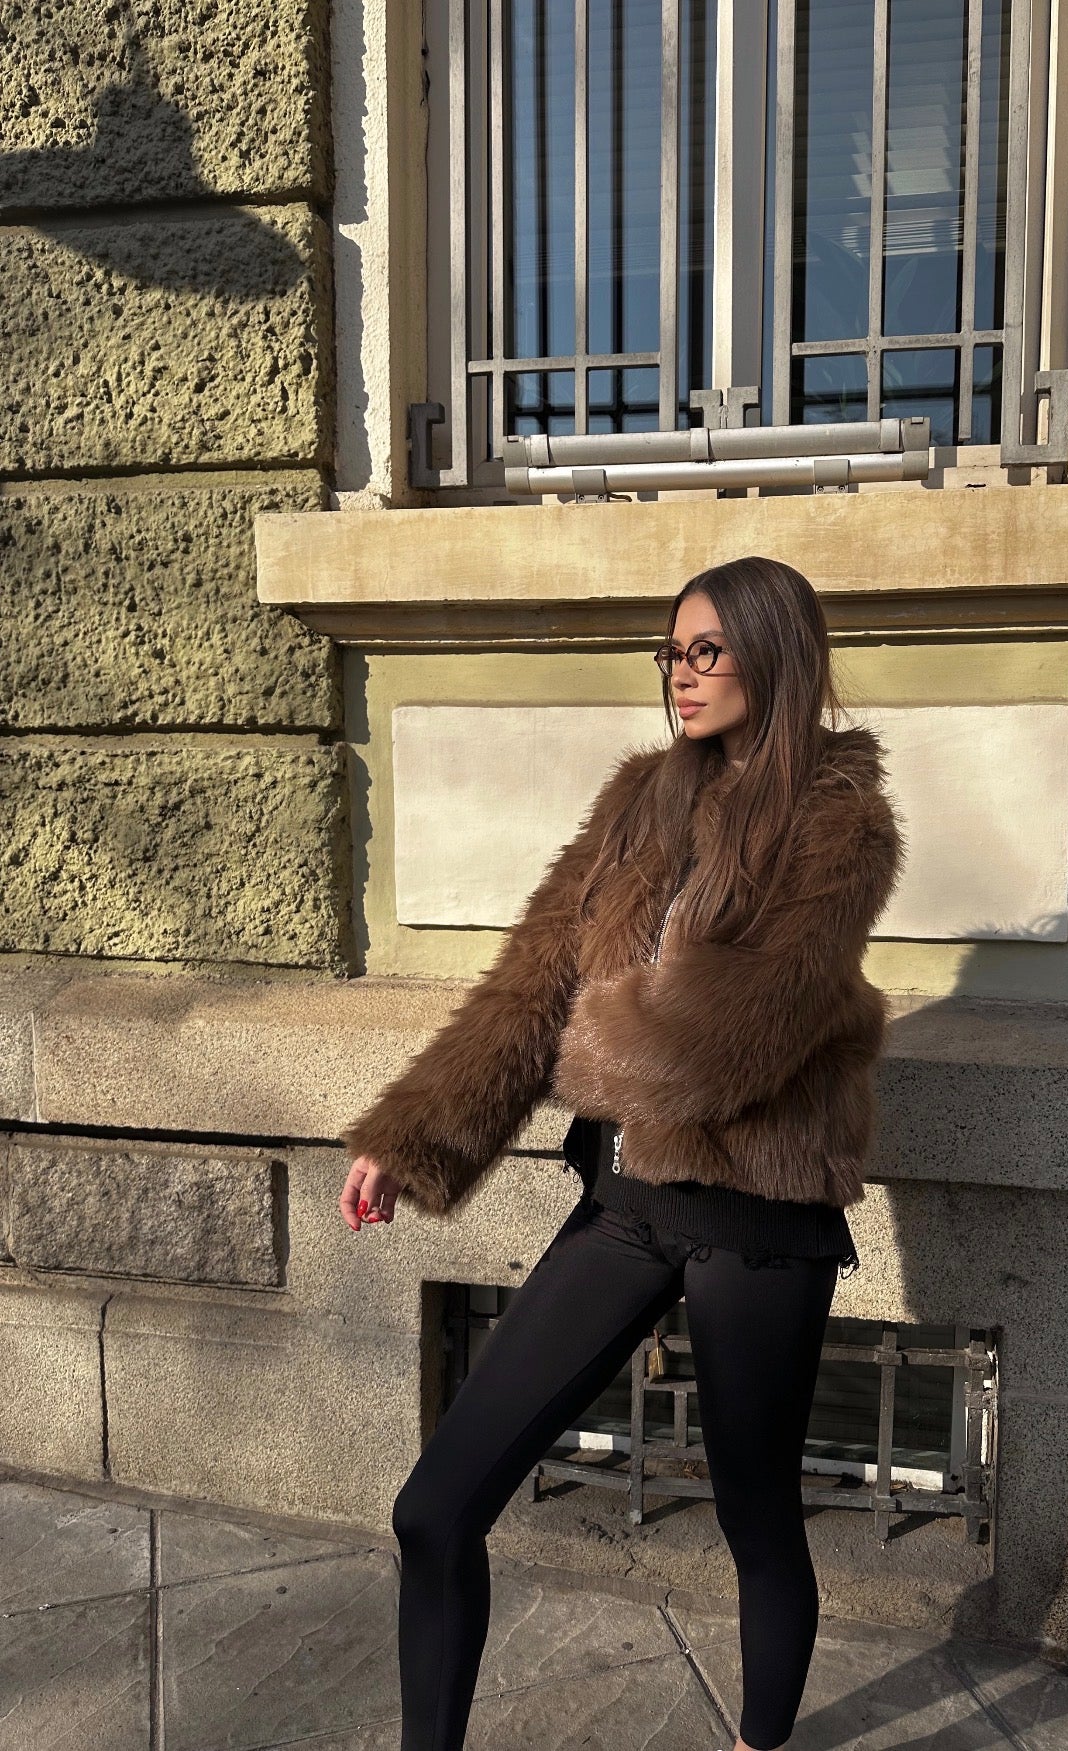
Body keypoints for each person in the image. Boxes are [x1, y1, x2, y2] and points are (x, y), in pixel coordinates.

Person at [339, 554, 905, 1751]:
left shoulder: (841, 821)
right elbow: (536, 979)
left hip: (758, 1210)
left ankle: (758, 1741)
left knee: (756, 1514)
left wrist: (588, 1051)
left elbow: (736, 1031)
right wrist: (412, 1135)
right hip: (629, 1199)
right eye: (671, 652)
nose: (681, 674)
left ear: (774, 656)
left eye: (707, 651)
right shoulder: (641, 798)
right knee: (435, 1506)